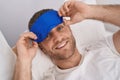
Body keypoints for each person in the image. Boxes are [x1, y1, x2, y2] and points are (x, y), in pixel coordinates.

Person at [13, 1, 120, 80]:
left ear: (69, 28)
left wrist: (91, 11)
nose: (58, 38)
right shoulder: (51, 78)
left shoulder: (103, 47)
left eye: (59, 28)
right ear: (42, 49)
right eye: (47, 36)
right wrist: (23, 61)